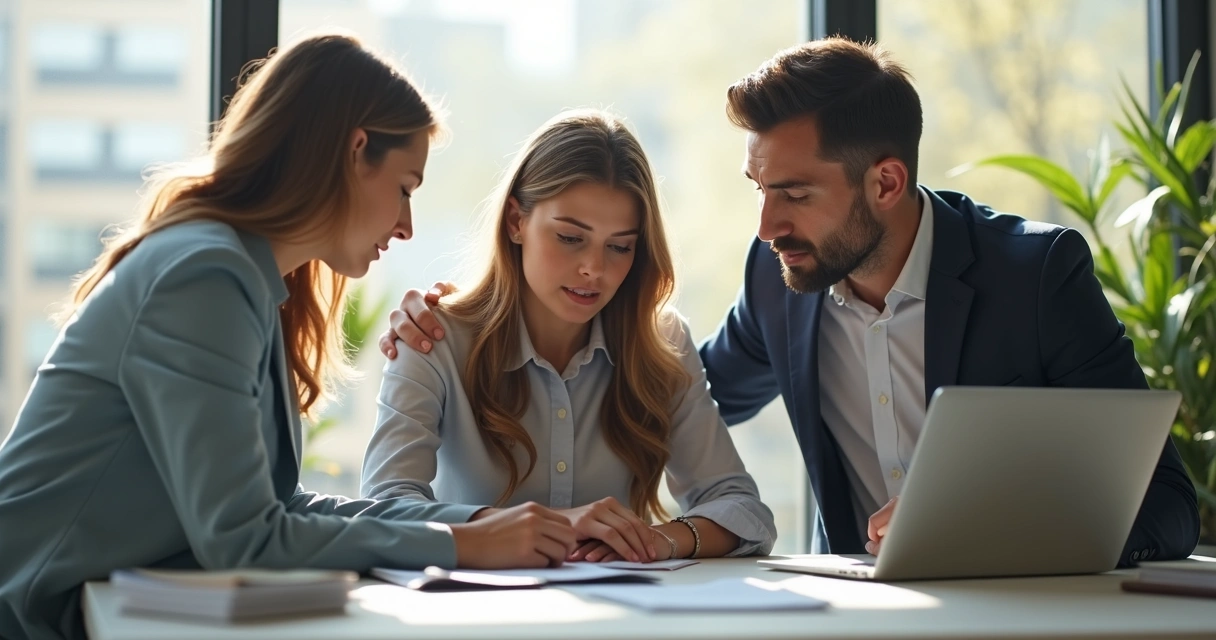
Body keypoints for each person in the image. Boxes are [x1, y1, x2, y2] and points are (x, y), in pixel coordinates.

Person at [379, 37, 1200, 564]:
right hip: (862, 618)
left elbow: (1165, 508)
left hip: (1034, 613)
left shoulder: (1036, 277)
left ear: (885, 182)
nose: (766, 225)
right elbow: (675, 394)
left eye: (795, 195)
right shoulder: (779, 283)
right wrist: (472, 319)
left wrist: (990, 519)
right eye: (759, 190)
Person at [0, 34, 577, 640]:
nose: (407, 226)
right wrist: (462, 543)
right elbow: (244, 537)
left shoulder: (240, 276)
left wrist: (490, 524)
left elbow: (285, 508)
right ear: (356, 151)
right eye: (405, 188)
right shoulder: (204, 276)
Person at [363, 110, 776, 565]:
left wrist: (660, 540)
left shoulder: (662, 344)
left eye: (619, 246)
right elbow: (384, 508)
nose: (594, 269)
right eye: (570, 238)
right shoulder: (433, 338)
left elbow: (745, 511)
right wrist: (543, 529)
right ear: (516, 221)